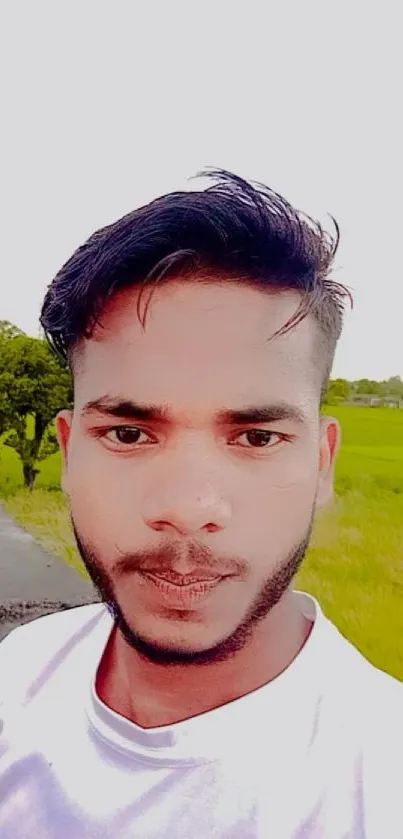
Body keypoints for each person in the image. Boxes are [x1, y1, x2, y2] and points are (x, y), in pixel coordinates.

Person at [0, 170, 401, 838]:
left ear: (321, 463)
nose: (187, 507)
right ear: (68, 456)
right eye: (128, 433)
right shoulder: (17, 674)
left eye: (254, 436)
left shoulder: (380, 782)